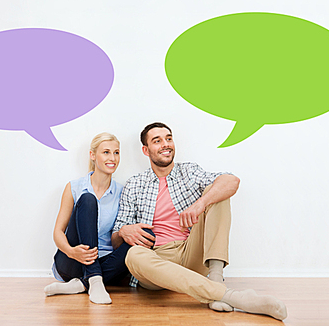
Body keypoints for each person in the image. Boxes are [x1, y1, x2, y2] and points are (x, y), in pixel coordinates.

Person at [111, 122, 287, 320]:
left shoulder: (189, 172)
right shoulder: (134, 184)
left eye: (169, 138)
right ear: (146, 150)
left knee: (217, 192)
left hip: (191, 251)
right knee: (133, 255)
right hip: (158, 260)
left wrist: (200, 204)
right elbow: (116, 239)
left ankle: (215, 277)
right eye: (157, 141)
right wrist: (124, 231)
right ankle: (228, 295)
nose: (165, 144)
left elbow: (231, 181)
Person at [44, 132, 136, 304]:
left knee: (138, 243)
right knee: (87, 199)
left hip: (104, 263)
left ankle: (81, 284)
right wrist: (71, 252)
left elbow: (118, 239)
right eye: (106, 152)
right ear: (93, 155)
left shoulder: (122, 191)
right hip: (72, 260)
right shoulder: (74, 187)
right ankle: (93, 279)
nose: (113, 158)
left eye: (116, 152)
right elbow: (58, 232)